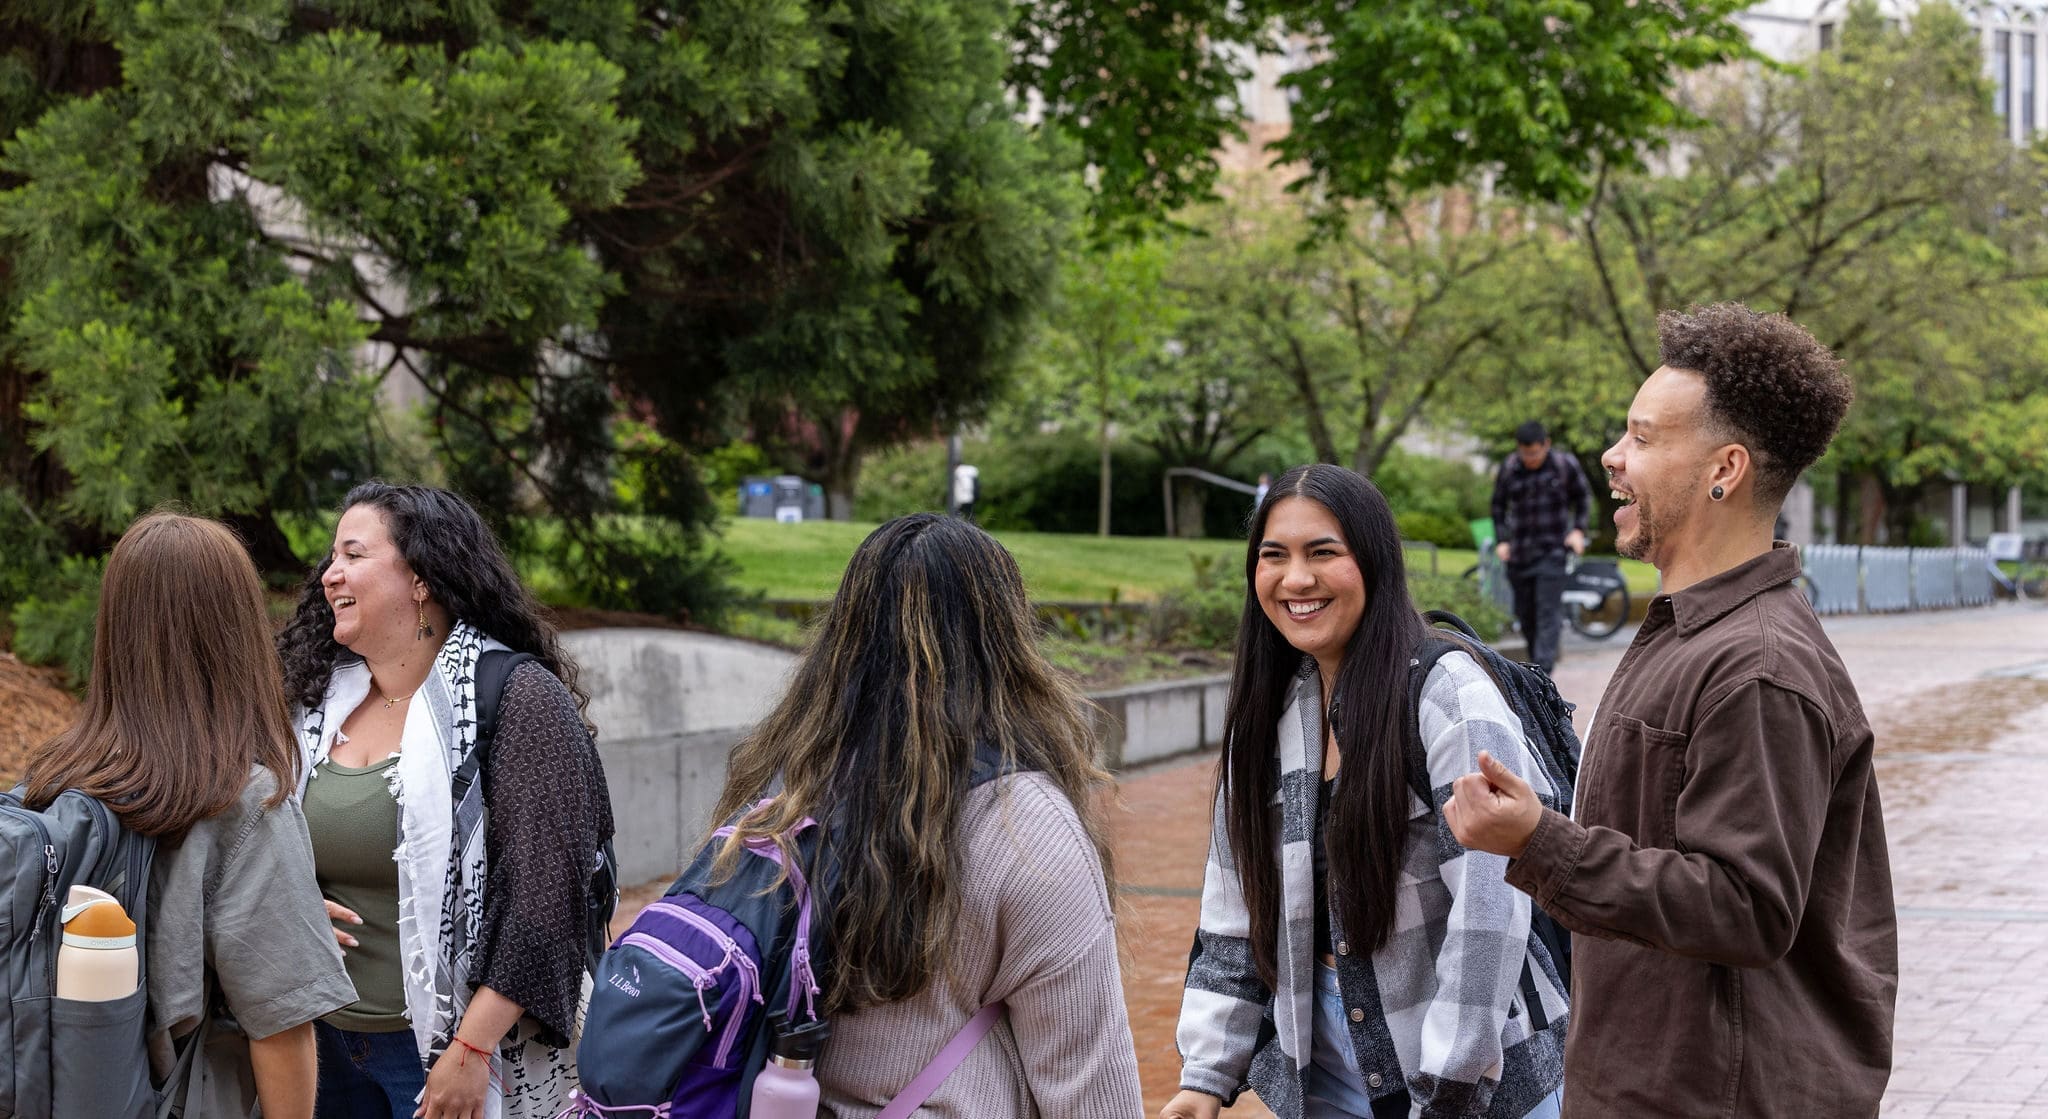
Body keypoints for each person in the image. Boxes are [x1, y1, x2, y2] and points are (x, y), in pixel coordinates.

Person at [1444, 304, 1896, 1117]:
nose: (1614, 458)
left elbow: (1746, 906)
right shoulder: (1692, 631)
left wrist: (1539, 842)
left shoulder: (1757, 667)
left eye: (1644, 438)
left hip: (1715, 1095)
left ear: (1724, 469)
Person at [1166, 464, 1567, 1119]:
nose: (1296, 578)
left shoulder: (1448, 696)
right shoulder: (1270, 714)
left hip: (1477, 1079)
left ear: (1374, 561)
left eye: (1323, 552)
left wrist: (1449, 1091)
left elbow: (1489, 915)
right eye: (1275, 556)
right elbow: (1234, 910)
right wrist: (1206, 1074)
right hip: (1326, 1069)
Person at [708, 513, 1143, 1117]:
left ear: (844, 635)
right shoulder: (1026, 829)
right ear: (1005, 638)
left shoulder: (781, 788)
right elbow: (1090, 1085)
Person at [277, 483, 615, 1119]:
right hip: (318, 1040)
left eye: (353, 555)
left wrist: (470, 1049)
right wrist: (285, 906)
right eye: (331, 558)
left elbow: (546, 902)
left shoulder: (517, 699)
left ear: (422, 578)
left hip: (444, 1056)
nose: (330, 575)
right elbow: (256, 844)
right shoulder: (314, 706)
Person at [22, 512, 356, 1119]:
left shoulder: (57, 774)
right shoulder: (241, 796)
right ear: (234, 632)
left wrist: (282, 913)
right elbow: (280, 1027)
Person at [1488, 422, 1591, 672]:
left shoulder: (1564, 467)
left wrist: (1578, 530)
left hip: (1552, 552)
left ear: (1546, 444)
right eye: (1525, 453)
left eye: (1534, 453)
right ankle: (1537, 667)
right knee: (1526, 615)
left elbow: (1583, 498)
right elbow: (1498, 506)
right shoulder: (1510, 468)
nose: (1530, 458)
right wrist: (1502, 539)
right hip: (1519, 554)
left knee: (1547, 613)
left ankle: (1541, 673)